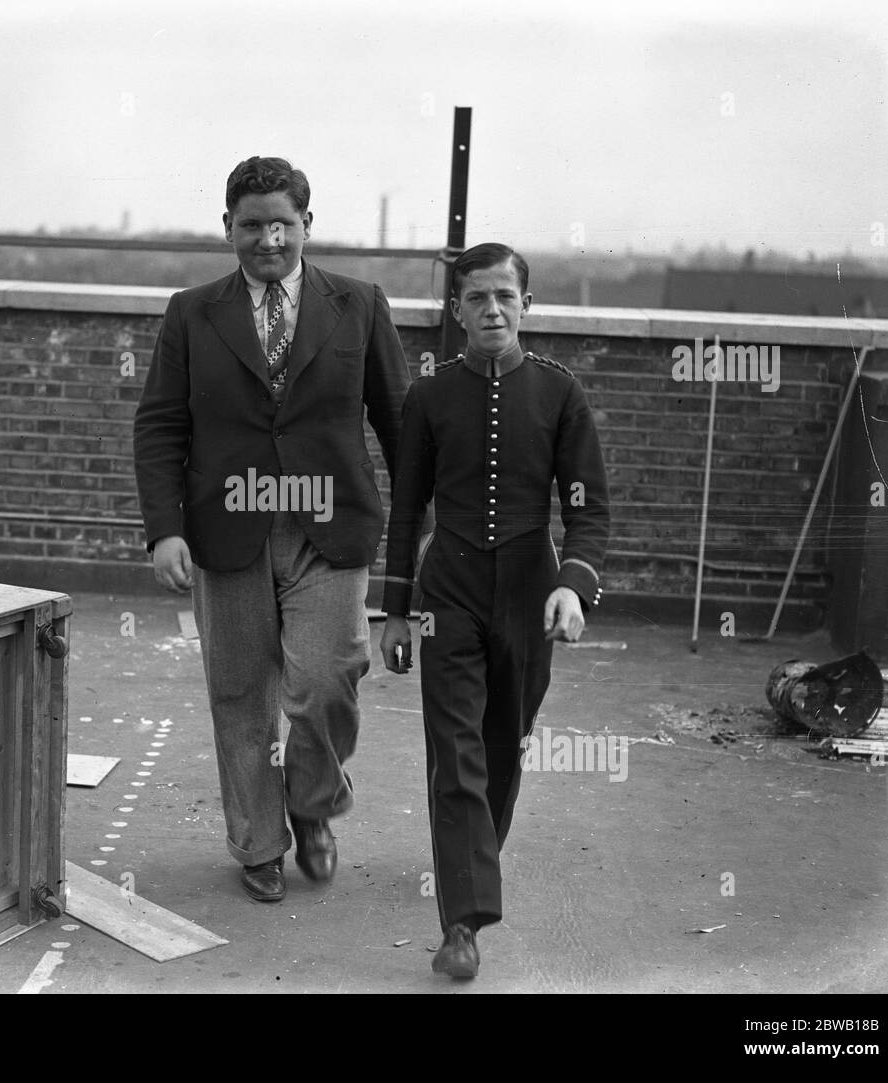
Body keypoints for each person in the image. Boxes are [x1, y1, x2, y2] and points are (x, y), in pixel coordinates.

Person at [134, 156, 411, 902]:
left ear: (307, 226)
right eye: (251, 224)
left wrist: (420, 539)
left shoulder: (359, 304)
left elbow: (402, 427)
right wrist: (165, 530)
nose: (267, 240)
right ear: (227, 227)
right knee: (239, 693)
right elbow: (160, 425)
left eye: (281, 224)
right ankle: (257, 840)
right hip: (225, 531)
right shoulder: (192, 313)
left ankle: (313, 801)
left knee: (328, 681)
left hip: (332, 528)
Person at [379, 242, 610, 978]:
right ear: (456, 310)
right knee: (457, 753)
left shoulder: (558, 393)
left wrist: (572, 584)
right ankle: (463, 924)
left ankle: (470, 858)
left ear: (527, 305)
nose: (492, 310)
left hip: (529, 594)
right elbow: (407, 509)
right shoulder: (429, 396)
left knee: (503, 747)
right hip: (447, 592)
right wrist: (394, 611)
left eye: (505, 296)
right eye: (476, 297)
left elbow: (588, 509)